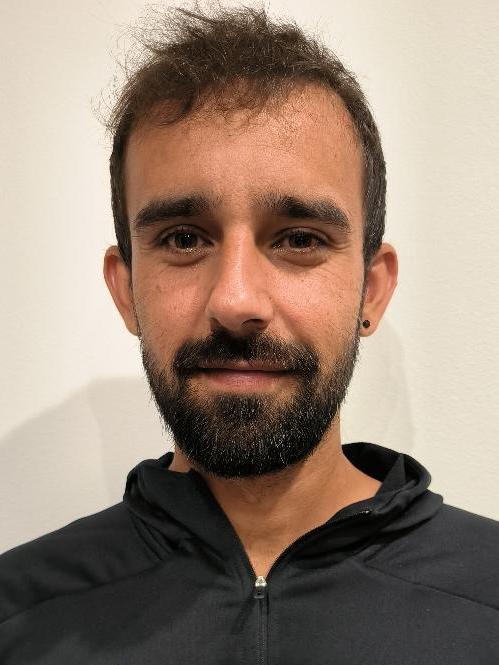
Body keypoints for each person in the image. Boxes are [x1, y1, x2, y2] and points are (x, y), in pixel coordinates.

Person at [1, 5, 498, 663]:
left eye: (299, 239)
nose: (236, 300)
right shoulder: (18, 617)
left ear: (371, 291)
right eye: (184, 239)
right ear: (126, 290)